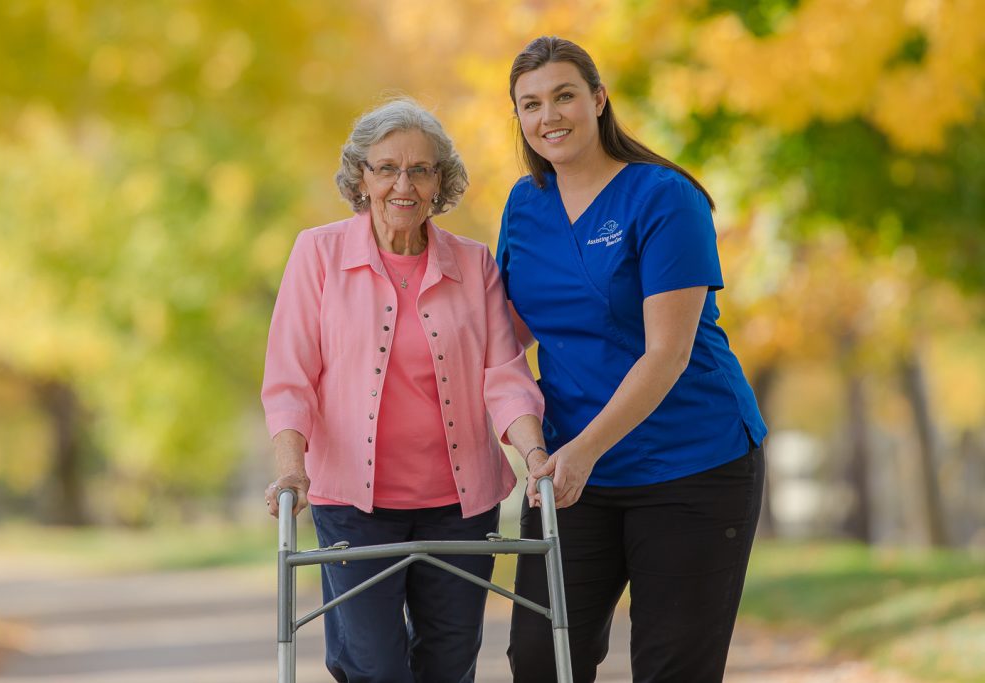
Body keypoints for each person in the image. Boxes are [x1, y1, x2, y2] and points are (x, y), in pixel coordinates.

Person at [498, 37, 768, 682]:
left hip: (692, 465)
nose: (549, 116)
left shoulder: (663, 197)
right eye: (530, 104)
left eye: (564, 95)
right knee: (541, 660)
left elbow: (667, 354)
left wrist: (583, 452)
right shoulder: (524, 205)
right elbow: (502, 338)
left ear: (597, 99)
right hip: (570, 475)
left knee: (672, 669)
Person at [260, 98, 546, 683]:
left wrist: (535, 456)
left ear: (440, 181)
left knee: (448, 662)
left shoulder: (474, 264)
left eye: (420, 169)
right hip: (353, 505)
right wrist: (292, 469)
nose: (403, 183)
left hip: (460, 506)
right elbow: (291, 377)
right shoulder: (318, 254)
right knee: (373, 665)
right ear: (360, 176)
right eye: (386, 167)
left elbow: (505, 377)